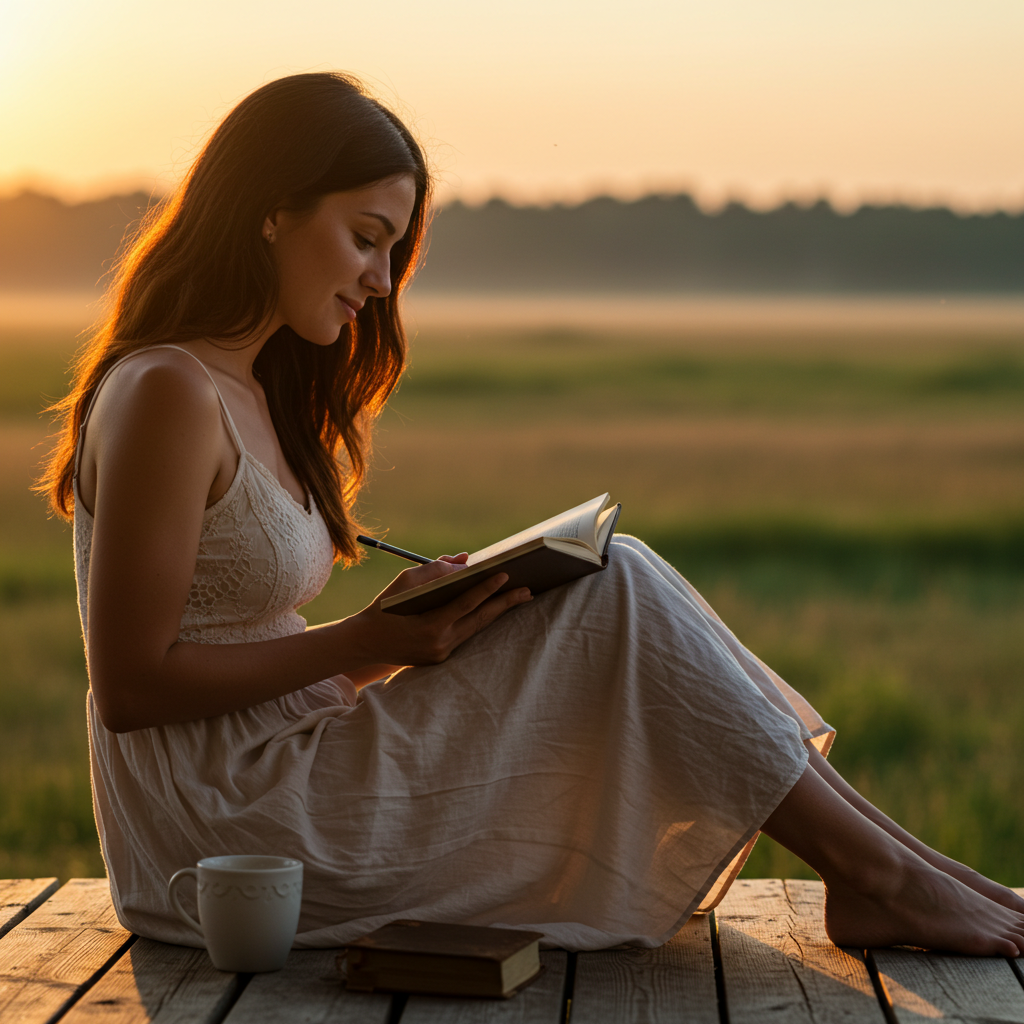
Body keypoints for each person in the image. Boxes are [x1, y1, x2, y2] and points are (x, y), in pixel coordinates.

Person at [40, 72, 1023, 956]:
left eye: (393, 251)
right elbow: (131, 687)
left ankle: (909, 875)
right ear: (269, 208)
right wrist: (359, 640)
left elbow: (254, 654)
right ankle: (887, 879)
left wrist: (401, 631)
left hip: (282, 769)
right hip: (225, 839)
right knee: (621, 582)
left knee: (609, 572)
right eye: (366, 239)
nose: (380, 282)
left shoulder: (246, 385)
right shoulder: (169, 388)